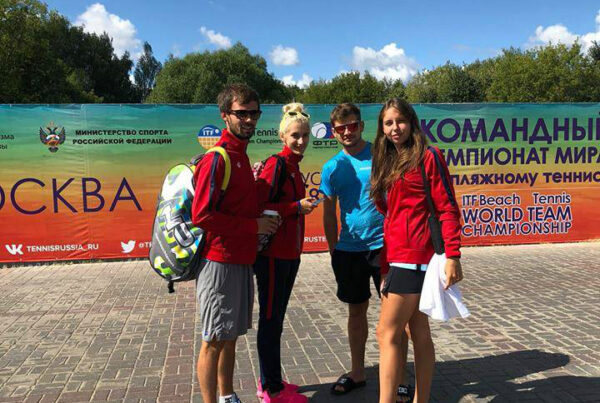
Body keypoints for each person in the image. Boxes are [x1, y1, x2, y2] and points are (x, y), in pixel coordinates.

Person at [370, 98, 464, 403]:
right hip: (397, 256)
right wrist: (385, 266)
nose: (394, 128)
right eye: (388, 123)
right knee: (416, 331)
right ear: (382, 128)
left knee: (386, 333)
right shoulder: (387, 159)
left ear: (411, 122)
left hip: (416, 258)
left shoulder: (428, 156)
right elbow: (391, 217)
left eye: (399, 121)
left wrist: (453, 255)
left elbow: (447, 207)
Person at [192, 83, 280, 403]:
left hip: (241, 260)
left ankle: (228, 396)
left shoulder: (240, 158)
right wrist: (253, 225)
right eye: (242, 113)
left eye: (254, 113)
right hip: (219, 262)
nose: (250, 120)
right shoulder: (217, 159)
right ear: (225, 115)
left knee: (230, 337)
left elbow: (238, 207)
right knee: (214, 339)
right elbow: (201, 215)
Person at [319, 103, 409, 397]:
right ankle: (358, 372)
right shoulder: (332, 167)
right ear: (333, 132)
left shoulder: (384, 154)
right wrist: (334, 252)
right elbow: (328, 214)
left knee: (395, 317)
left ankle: (399, 378)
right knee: (356, 311)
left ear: (361, 126)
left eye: (353, 126)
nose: (347, 132)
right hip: (348, 252)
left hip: (385, 247)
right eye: (341, 128)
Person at [253, 103, 317, 403]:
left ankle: (272, 380)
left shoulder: (293, 166)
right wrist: (296, 207)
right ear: (282, 135)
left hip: (290, 255)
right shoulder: (276, 165)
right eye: (295, 135)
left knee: (276, 319)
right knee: (270, 319)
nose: (301, 140)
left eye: (305, 135)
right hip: (273, 257)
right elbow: (258, 208)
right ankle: (270, 390)